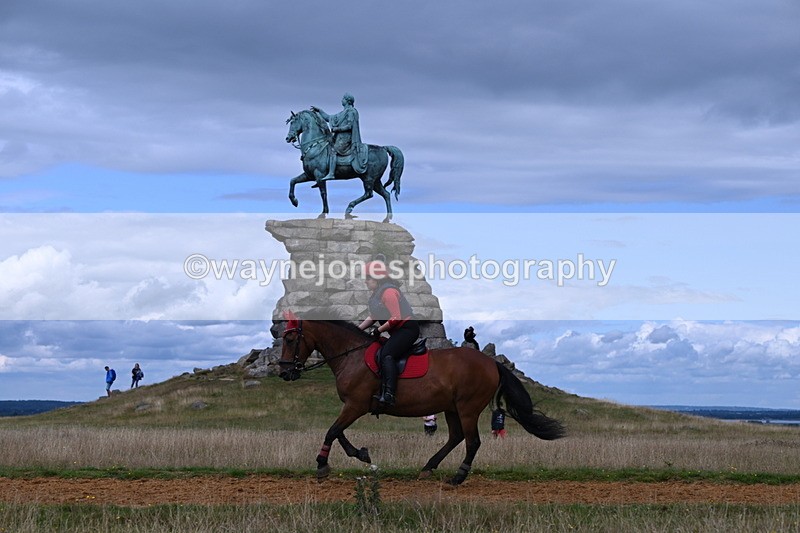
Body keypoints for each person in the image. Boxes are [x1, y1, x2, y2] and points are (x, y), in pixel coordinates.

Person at [358, 259, 419, 409]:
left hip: (407, 329)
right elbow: (373, 317)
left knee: (387, 354)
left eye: (368, 278)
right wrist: (356, 330)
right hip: (398, 331)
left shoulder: (389, 292)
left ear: (377, 279)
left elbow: (396, 317)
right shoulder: (376, 294)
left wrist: (378, 330)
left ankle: (389, 394)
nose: (365, 281)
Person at [310, 93, 368, 186]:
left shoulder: (351, 112)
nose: (342, 100)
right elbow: (329, 118)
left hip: (346, 138)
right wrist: (320, 111)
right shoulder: (342, 113)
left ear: (347, 101)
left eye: (343, 99)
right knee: (325, 147)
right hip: (339, 137)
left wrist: (337, 129)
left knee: (332, 150)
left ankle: (331, 173)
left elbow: (350, 126)